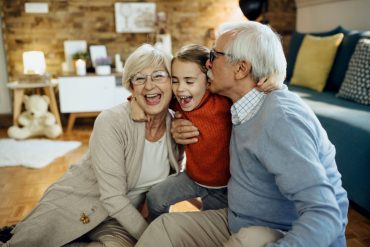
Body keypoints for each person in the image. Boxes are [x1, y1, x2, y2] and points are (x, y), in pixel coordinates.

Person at [135, 21, 349, 247]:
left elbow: (325, 214)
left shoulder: (281, 120)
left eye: (214, 55)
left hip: (275, 232)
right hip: (237, 219)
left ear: (241, 68)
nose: (207, 63)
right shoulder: (237, 101)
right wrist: (146, 108)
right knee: (164, 229)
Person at [1, 44, 183, 247]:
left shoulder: (177, 126)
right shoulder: (112, 121)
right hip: (72, 207)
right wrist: (152, 238)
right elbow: (113, 197)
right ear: (131, 87)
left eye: (159, 76)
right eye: (139, 78)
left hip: (119, 222)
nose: (149, 85)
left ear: (172, 82)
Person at [131, 44, 279, 222]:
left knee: (209, 224)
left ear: (209, 80)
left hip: (227, 186)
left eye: (189, 81)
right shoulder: (178, 101)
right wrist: (134, 101)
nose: (179, 89)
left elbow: (254, 88)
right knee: (155, 197)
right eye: (175, 80)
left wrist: (275, 76)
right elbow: (152, 96)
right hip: (193, 177)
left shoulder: (224, 101)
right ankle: (153, 229)